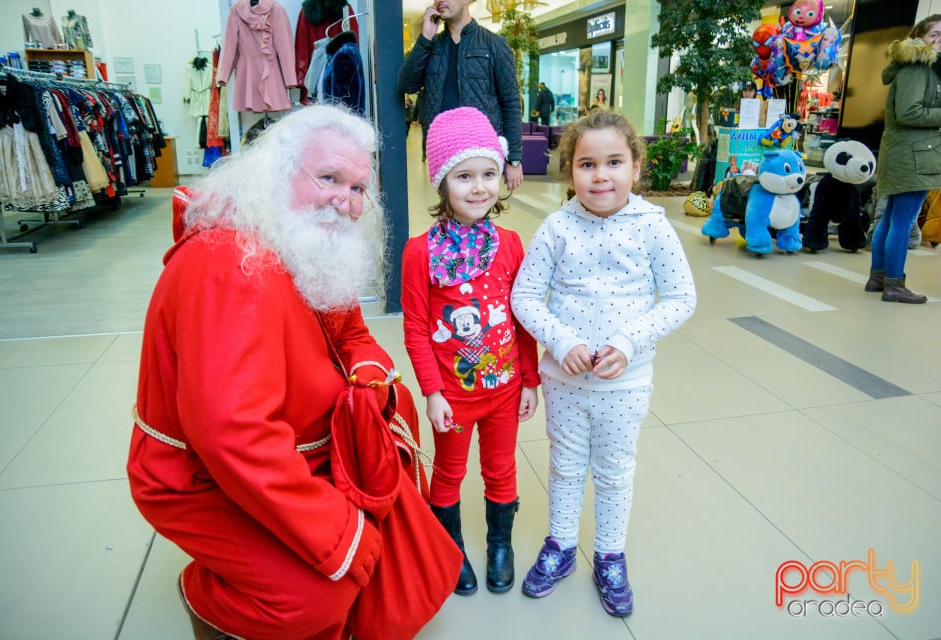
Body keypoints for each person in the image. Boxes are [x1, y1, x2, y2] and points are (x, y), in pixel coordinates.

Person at [127, 105, 462, 640]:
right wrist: (337, 534)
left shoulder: (301, 239)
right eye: (329, 178)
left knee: (376, 549)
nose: (346, 201)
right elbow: (233, 435)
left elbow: (352, 333)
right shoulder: (227, 265)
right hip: (199, 476)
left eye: (357, 188)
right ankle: (204, 595)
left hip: (298, 448)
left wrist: (370, 381)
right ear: (277, 171)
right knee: (314, 596)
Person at [510, 109, 697, 617]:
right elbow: (526, 296)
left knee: (614, 470)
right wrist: (561, 339)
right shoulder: (556, 227)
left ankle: (610, 555)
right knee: (565, 464)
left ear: (636, 167)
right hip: (563, 381)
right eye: (586, 164)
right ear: (570, 171)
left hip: (625, 383)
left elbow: (681, 298)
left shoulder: (653, 228)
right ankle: (562, 545)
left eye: (613, 162)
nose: (600, 176)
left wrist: (630, 341)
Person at [401, 107, 541, 596]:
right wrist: (433, 393)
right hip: (454, 398)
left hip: (504, 392)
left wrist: (530, 379)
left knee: (501, 469)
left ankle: (499, 544)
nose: (479, 187)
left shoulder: (510, 245)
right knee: (449, 472)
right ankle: (450, 547)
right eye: (464, 176)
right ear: (441, 183)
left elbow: (524, 320)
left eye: (488, 173)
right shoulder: (419, 252)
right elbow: (417, 328)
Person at [397, 0, 524, 191]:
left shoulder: (494, 44)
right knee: (447, 213)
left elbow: (511, 102)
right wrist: (425, 37)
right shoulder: (431, 45)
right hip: (443, 148)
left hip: (481, 149)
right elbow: (407, 84)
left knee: (478, 209)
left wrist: (514, 158)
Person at [864, 14, 941, 303]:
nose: (939, 39)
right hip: (914, 154)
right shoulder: (918, 68)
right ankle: (894, 284)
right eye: (934, 34)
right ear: (919, 37)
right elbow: (908, 113)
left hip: (909, 151)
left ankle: (879, 277)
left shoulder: (924, 67)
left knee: (894, 218)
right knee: (902, 221)